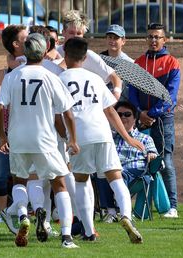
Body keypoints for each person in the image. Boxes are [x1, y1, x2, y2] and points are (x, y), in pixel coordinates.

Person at [0, 33, 80, 248]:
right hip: (44, 139)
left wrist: (3, 136)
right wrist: (72, 139)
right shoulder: (51, 77)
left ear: (25, 51)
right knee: (59, 184)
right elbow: (67, 113)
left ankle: (23, 215)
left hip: (18, 138)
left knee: (20, 180)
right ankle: (66, 237)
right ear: (44, 52)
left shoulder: (12, 75)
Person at [59, 37, 143, 243]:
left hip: (79, 135)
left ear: (65, 56)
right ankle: (126, 215)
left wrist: (66, 138)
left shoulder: (59, 79)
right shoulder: (95, 78)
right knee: (115, 177)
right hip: (102, 133)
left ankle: (89, 230)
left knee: (81, 180)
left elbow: (58, 114)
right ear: (85, 57)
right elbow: (110, 111)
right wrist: (127, 137)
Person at [129, 23, 181, 218]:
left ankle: (172, 206)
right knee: (140, 161)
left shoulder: (172, 63)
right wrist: (140, 112)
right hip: (142, 117)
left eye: (157, 37)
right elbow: (132, 92)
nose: (153, 40)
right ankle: (142, 207)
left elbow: (171, 97)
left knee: (164, 160)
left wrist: (151, 113)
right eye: (150, 36)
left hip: (162, 119)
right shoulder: (138, 62)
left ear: (164, 40)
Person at [0, 24, 28, 223]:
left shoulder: (33, 68)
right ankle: (3, 213)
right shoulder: (3, 73)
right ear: (15, 44)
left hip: (24, 132)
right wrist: (12, 74)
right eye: (25, 37)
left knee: (24, 174)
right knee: (1, 175)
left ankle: (23, 210)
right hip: (4, 132)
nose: (30, 39)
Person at [96, 101, 158, 223]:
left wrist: (152, 154)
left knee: (118, 175)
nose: (123, 117)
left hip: (136, 174)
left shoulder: (145, 138)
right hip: (114, 169)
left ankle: (121, 211)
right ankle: (112, 212)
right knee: (102, 173)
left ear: (135, 119)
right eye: (119, 115)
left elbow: (154, 153)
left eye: (127, 114)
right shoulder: (110, 137)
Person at [57, 10, 123, 100]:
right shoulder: (55, 53)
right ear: (63, 32)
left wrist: (115, 97)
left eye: (79, 33)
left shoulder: (89, 55)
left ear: (83, 34)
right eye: (71, 33)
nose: (75, 37)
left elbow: (115, 77)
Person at [100, 24, 134, 101]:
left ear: (123, 41)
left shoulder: (130, 63)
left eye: (116, 38)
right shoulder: (99, 60)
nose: (112, 41)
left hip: (122, 105)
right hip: (103, 103)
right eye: (110, 37)